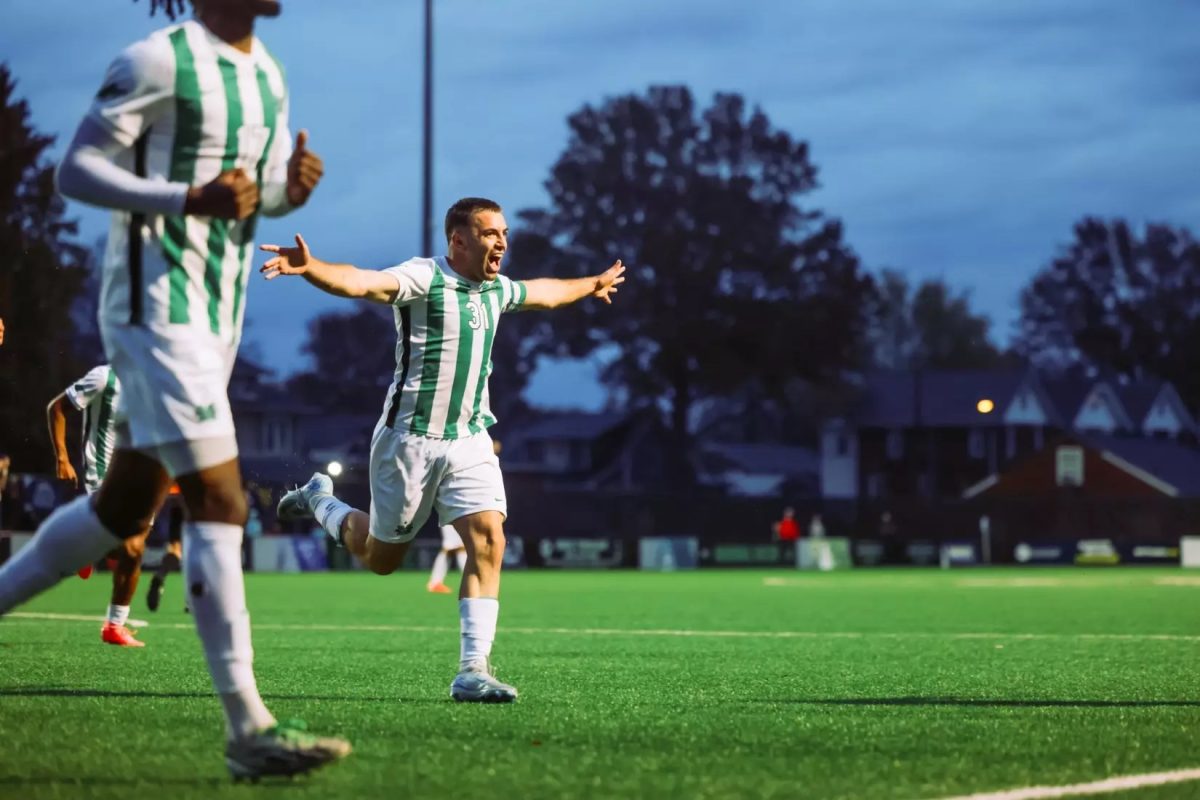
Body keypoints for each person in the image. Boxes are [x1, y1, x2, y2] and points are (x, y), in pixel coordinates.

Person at [0, 0, 349, 779]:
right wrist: (186, 200)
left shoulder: (267, 73)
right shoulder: (157, 60)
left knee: (121, 509)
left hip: (219, 317)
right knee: (221, 501)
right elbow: (75, 170)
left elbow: (251, 197)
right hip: (155, 313)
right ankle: (249, 729)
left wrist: (291, 192)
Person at [263, 197, 625, 703]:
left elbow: (545, 292)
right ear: (459, 240)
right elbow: (363, 282)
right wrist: (312, 268)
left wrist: (591, 285)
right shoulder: (422, 278)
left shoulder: (496, 289)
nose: (501, 241)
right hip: (407, 444)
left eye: (504, 232)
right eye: (489, 232)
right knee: (381, 558)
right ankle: (321, 499)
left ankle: (472, 670)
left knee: (489, 541)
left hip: (469, 438)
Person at [47, 365, 149, 645]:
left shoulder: (155, 379)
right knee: (131, 545)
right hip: (102, 475)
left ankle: (85, 548)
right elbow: (56, 408)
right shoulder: (105, 376)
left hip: (138, 479)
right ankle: (114, 625)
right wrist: (63, 459)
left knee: (131, 550)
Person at [428, 524, 467, 594]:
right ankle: (469, 581)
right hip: (453, 515)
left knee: (454, 547)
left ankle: (435, 582)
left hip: (455, 515)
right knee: (456, 546)